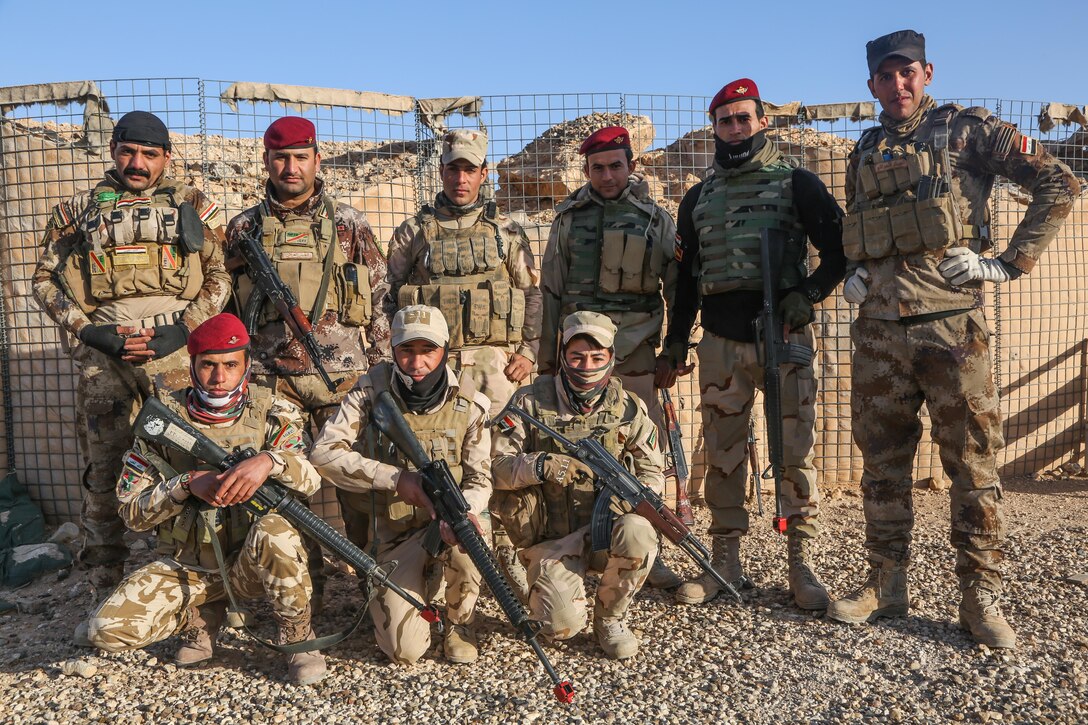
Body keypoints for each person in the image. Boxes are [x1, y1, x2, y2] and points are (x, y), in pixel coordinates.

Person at [826, 30, 1080, 649]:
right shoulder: (866, 146)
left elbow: (1061, 183)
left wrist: (1008, 264)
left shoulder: (970, 130)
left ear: (928, 73)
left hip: (951, 330)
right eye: (885, 77)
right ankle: (885, 585)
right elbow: (861, 225)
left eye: (906, 73)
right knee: (882, 466)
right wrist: (853, 273)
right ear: (871, 86)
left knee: (971, 465)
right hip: (879, 334)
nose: (897, 85)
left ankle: (980, 595)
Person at [664, 79, 847, 610]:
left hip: (783, 335)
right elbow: (685, 278)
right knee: (723, 452)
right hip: (721, 340)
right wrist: (677, 339)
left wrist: (807, 295)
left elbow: (839, 252)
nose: (735, 128)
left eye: (744, 117)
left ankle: (800, 563)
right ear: (714, 126)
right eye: (725, 120)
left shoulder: (797, 183)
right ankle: (725, 562)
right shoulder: (698, 197)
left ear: (762, 120)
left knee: (795, 451)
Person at [32, 111, 231, 590]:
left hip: (173, 356)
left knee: (188, 457)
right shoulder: (78, 210)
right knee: (106, 464)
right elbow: (44, 280)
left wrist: (183, 331)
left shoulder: (193, 206)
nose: (137, 163)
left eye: (149, 154)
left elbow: (221, 277)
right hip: (105, 357)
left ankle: (192, 576)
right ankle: (104, 577)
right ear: (114, 149)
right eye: (128, 151)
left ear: (166, 157)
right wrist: (87, 332)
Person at [83, 313, 326, 685]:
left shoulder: (273, 412)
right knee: (106, 629)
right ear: (192, 365)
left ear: (246, 365)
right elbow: (131, 513)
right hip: (191, 566)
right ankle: (202, 615)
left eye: (231, 365)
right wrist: (184, 485)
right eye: (208, 365)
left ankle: (297, 636)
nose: (218, 376)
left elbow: (310, 480)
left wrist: (270, 461)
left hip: (253, 563)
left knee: (277, 531)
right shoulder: (161, 424)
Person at [225, 116, 391, 609]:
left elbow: (381, 299)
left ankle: (371, 583)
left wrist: (381, 372)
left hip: (342, 379)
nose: (291, 167)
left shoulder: (349, 224)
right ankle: (302, 591)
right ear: (266, 161)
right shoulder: (244, 228)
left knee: (357, 487)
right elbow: (226, 305)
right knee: (279, 488)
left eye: (300, 157)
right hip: (269, 382)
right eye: (281, 157)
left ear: (318, 159)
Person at [384, 129, 541, 598]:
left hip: (494, 367)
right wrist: (395, 355)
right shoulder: (415, 230)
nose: (460, 177)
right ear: (442, 171)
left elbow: (532, 293)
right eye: (452, 167)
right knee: (439, 458)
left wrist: (529, 352)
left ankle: (509, 562)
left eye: (469, 169)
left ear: (483, 173)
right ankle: (442, 563)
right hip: (435, 367)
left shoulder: (507, 231)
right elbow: (386, 295)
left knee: (500, 462)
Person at [537, 125, 683, 590]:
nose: (606, 176)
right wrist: (546, 358)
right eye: (597, 168)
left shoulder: (654, 220)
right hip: (577, 356)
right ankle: (571, 544)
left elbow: (677, 289)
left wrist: (674, 350)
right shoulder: (568, 219)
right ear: (585, 170)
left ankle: (648, 550)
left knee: (642, 452)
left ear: (631, 167)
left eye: (615, 166)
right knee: (572, 448)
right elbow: (551, 289)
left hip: (635, 350)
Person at [310, 305, 492, 665]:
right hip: (390, 536)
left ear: (445, 351)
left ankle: (459, 623)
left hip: (443, 527)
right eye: (406, 351)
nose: (417, 361)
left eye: (428, 350)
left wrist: (464, 512)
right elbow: (323, 454)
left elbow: (480, 478)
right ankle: (412, 581)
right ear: (393, 351)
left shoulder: (470, 404)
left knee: (474, 538)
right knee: (403, 652)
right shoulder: (368, 393)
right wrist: (394, 479)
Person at [492, 311, 663, 660]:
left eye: (597, 358)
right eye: (577, 356)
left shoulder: (629, 408)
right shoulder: (528, 402)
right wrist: (541, 465)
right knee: (560, 628)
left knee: (639, 532)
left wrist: (629, 498)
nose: (587, 366)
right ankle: (535, 580)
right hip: (549, 537)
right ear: (563, 356)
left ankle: (610, 619)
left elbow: (653, 473)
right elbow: (495, 468)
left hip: (606, 531)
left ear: (611, 358)